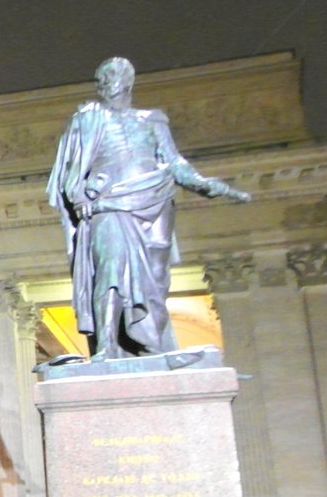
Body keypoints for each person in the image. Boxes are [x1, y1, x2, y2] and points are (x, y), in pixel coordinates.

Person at [46, 57, 249, 360]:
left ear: (130, 80)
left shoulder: (152, 119)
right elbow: (70, 170)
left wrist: (206, 184)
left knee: (153, 281)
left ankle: (151, 343)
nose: (107, 81)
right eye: (103, 76)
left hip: (151, 202)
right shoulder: (87, 119)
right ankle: (106, 347)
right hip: (108, 205)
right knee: (110, 270)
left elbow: (174, 162)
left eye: (115, 74)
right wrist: (81, 198)